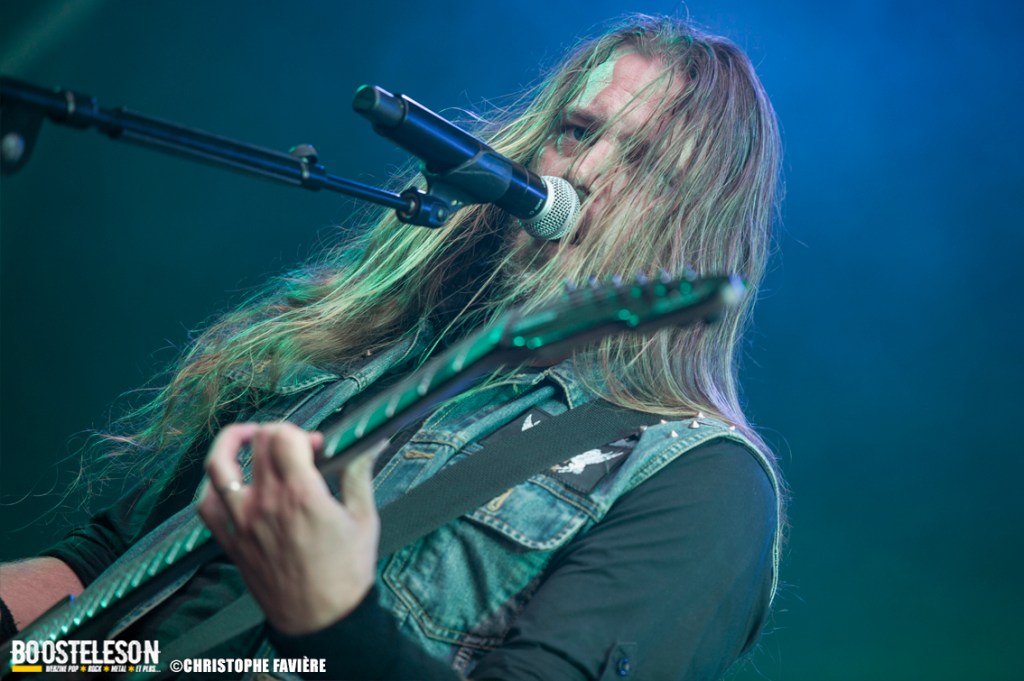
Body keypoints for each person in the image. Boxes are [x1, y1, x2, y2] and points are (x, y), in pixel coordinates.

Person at [0, 15, 784, 680]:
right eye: (577, 131)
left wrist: (333, 623)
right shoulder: (376, 356)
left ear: (698, 230)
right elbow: (113, 566)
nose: (583, 169)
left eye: (643, 161)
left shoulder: (705, 484)